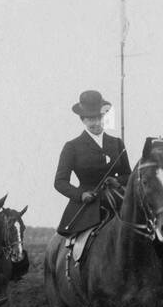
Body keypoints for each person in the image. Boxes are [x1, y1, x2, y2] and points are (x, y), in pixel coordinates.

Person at [54, 89, 129, 237]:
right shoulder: (72, 147)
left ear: (104, 116)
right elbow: (60, 182)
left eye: (98, 117)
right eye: (90, 119)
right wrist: (80, 195)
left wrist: (117, 180)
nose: (96, 123)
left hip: (117, 200)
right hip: (87, 205)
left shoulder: (117, 143)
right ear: (82, 120)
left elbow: (128, 175)